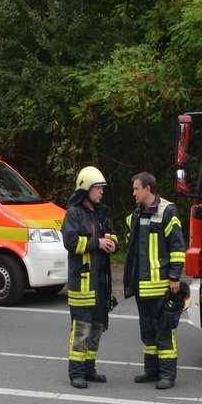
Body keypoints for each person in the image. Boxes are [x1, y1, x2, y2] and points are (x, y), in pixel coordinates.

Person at [123, 172, 186, 390]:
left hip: (161, 285)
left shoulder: (167, 211)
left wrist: (175, 276)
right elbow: (129, 243)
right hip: (142, 286)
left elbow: (178, 247)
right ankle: (151, 371)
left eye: (136, 189)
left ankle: (168, 375)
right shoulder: (136, 214)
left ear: (148, 189)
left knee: (164, 331)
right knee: (147, 332)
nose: (134, 193)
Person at [62, 166, 117, 389]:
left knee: (96, 327)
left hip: (99, 283)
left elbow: (110, 234)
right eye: (98, 188)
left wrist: (112, 242)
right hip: (82, 282)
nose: (101, 192)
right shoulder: (74, 213)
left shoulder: (99, 213)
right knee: (81, 328)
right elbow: (71, 242)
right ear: (86, 189)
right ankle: (76, 372)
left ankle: (89, 368)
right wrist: (97, 243)